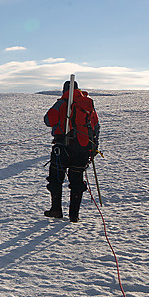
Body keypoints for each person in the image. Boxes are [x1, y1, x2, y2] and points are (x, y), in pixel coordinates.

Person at [44, 79, 100, 222]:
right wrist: (94, 147)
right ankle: (74, 215)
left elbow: (48, 121)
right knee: (77, 180)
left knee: (56, 178)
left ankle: (56, 209)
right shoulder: (87, 105)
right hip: (82, 147)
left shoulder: (61, 104)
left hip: (62, 147)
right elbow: (95, 126)